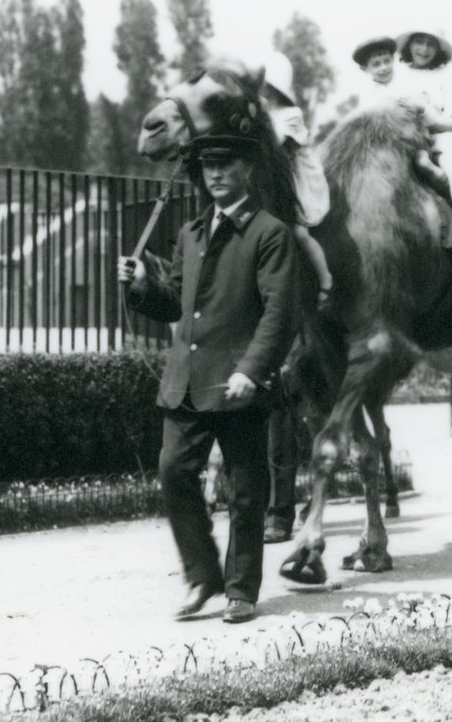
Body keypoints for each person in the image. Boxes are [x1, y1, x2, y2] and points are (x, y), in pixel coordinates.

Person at [118, 129, 293, 625]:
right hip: (188, 381)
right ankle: (203, 576)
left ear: (247, 172)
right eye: (207, 167)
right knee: (173, 471)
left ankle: (241, 591)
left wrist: (252, 371)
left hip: (238, 385)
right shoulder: (191, 234)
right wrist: (142, 286)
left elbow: (279, 313)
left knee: (244, 489)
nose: (215, 174)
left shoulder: (268, 233)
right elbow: (175, 302)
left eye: (226, 165)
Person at [395, 29, 452, 263]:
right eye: (419, 43)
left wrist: (425, 110)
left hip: (441, 138)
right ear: (409, 45)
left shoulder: (445, 79)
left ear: (438, 50)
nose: (423, 50)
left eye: (430, 45)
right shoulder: (396, 75)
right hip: (402, 138)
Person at [261, 52, 333, 310]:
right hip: (277, 177)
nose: (264, 92)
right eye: (262, 87)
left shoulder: (291, 113)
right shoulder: (262, 113)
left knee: (299, 232)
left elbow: (278, 145)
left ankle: (326, 279)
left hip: (298, 177)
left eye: (268, 87)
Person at [351, 36, 451, 194]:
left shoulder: (405, 84)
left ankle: (447, 191)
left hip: (413, 138)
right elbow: (366, 120)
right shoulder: (367, 96)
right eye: (376, 64)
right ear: (365, 69)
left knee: (422, 162)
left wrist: (417, 104)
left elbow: (422, 104)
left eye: (386, 61)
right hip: (386, 142)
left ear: (393, 60)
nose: (383, 68)